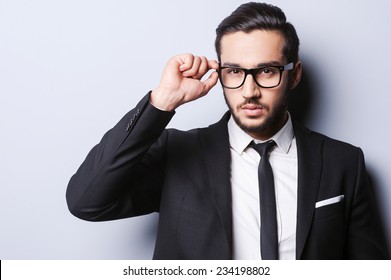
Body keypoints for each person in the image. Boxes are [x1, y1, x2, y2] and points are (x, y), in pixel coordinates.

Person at [66, 2, 388, 259]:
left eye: (266, 71)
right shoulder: (177, 155)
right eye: (234, 71)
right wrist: (161, 102)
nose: (249, 90)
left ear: (294, 74)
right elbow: (85, 201)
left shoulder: (344, 164)